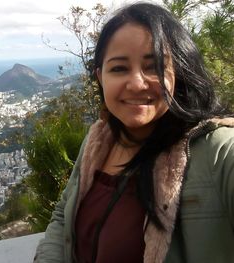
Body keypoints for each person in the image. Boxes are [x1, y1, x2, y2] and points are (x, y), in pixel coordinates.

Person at [34, 2, 234, 263]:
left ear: (178, 74)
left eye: (154, 67)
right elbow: (62, 217)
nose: (137, 83)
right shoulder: (98, 140)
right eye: (118, 68)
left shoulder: (216, 150)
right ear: (100, 77)